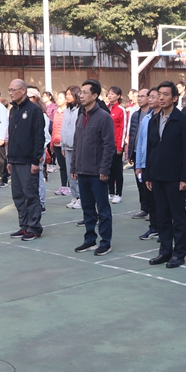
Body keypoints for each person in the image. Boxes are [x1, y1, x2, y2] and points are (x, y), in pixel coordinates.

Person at [145, 82, 186, 268]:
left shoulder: (183, 120)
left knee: (178, 216)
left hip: (175, 177)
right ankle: (165, 251)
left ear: (174, 98)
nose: (161, 97)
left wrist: (185, 177)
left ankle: (179, 253)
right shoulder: (154, 120)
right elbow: (151, 149)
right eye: (159, 94)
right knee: (162, 216)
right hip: (157, 175)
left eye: (166, 94)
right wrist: (148, 174)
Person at [72, 79, 115, 255]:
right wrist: (74, 166)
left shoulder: (104, 117)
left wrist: (104, 169)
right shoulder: (80, 116)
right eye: (80, 92)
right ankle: (90, 240)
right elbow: (76, 143)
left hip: (97, 173)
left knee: (102, 209)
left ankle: (105, 242)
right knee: (87, 208)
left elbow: (109, 146)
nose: (81, 95)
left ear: (95, 95)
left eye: (85, 92)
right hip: (82, 171)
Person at [5, 80, 46, 241]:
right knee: (18, 195)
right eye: (9, 90)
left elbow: (39, 136)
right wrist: (9, 159)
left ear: (23, 90)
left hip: (28, 161)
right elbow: (11, 135)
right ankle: (24, 225)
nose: (10, 93)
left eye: (13, 90)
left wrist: (36, 160)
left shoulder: (34, 110)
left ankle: (34, 227)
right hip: (14, 160)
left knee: (30, 194)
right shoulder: (13, 110)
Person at [135, 89, 161, 240]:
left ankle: (163, 228)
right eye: (149, 97)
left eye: (153, 97)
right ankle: (154, 227)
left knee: (161, 200)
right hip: (146, 165)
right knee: (149, 199)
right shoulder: (146, 119)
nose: (150, 100)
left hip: (159, 165)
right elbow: (140, 143)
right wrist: (139, 164)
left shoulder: (165, 118)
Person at [128, 88, 151, 219]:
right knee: (140, 183)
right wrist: (130, 152)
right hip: (137, 152)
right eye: (139, 96)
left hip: (148, 154)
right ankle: (144, 208)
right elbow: (132, 134)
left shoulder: (153, 114)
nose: (140, 98)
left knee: (149, 183)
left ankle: (152, 210)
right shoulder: (135, 115)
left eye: (143, 96)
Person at [61, 86, 82, 210]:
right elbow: (64, 128)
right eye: (67, 94)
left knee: (77, 173)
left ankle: (81, 197)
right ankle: (75, 196)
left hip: (76, 147)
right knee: (70, 174)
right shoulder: (66, 110)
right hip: (67, 146)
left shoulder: (79, 110)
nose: (67, 97)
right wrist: (63, 145)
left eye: (70, 94)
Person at [106, 86, 127, 204]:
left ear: (118, 96)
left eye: (113, 94)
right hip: (106, 145)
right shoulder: (106, 108)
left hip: (116, 145)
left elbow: (123, 128)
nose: (110, 96)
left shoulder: (121, 110)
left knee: (117, 170)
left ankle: (118, 193)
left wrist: (120, 146)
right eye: (109, 93)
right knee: (108, 169)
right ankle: (111, 192)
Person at [51, 91, 71, 197]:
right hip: (56, 142)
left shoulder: (68, 111)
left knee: (68, 166)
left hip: (65, 143)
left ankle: (70, 186)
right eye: (58, 98)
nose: (58, 100)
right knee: (62, 166)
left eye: (60, 98)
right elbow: (54, 128)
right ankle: (63, 186)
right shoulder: (56, 112)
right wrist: (52, 142)